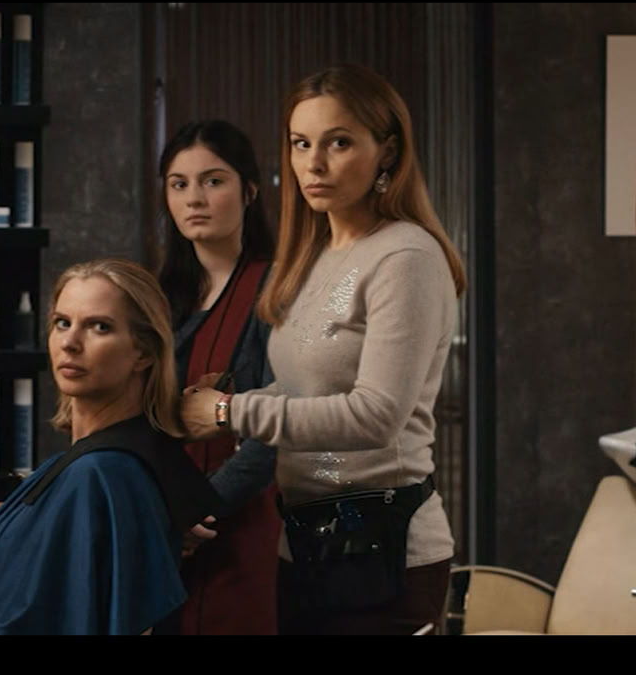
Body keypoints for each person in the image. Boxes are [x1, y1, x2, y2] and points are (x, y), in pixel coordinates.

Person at [179, 63, 467, 635]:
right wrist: (225, 403)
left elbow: (377, 415)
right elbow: (306, 393)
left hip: (385, 551)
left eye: (339, 143)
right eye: (301, 143)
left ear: (387, 151)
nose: (313, 163)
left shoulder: (405, 257)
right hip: (305, 545)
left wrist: (230, 411)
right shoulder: (312, 256)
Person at [0, 259, 221, 635]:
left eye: (99, 327)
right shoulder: (76, 467)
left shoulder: (99, 476)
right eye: (62, 323)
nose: (69, 342)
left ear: (144, 353)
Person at [154, 120, 280, 635]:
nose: (194, 198)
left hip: (240, 523)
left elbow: (277, 428)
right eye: (179, 184)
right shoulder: (158, 298)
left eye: (213, 181)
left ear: (249, 190)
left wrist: (198, 508)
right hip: (161, 524)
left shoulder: (277, 290)